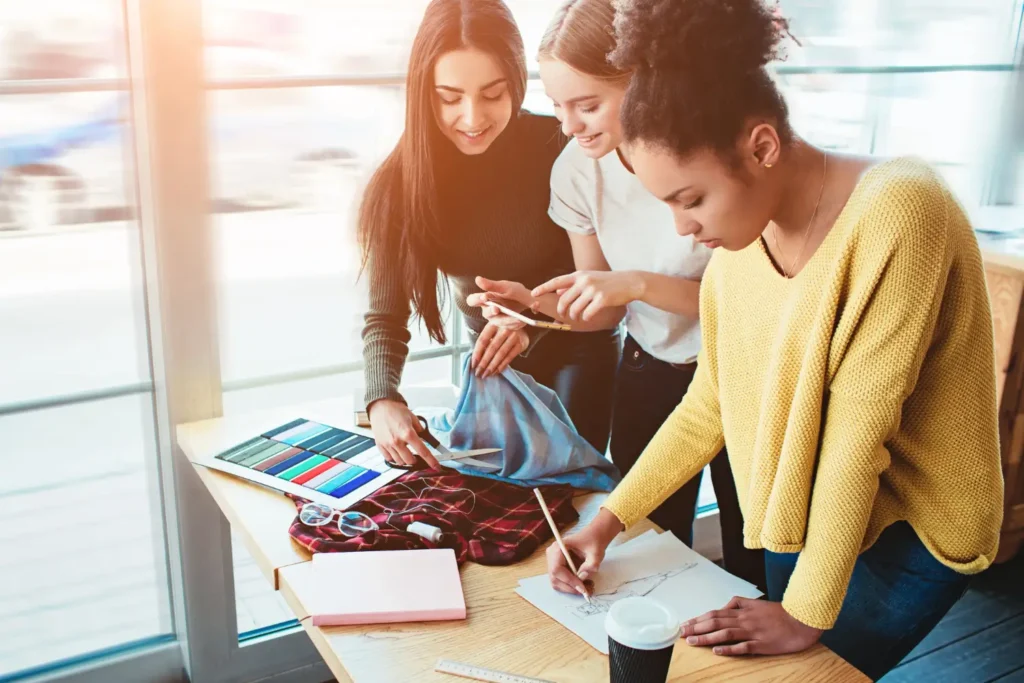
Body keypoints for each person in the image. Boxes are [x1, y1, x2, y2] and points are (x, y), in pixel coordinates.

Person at [544, 0, 1004, 679]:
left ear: (761, 146)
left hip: (914, 527)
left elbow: (859, 428)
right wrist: (608, 521)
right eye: (665, 201)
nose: (680, 228)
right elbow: (711, 403)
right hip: (807, 505)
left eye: (691, 199)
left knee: (807, 672)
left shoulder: (903, 207)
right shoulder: (738, 251)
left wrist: (806, 610)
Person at [468, 0, 764, 589]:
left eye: (587, 104)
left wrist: (635, 285)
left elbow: (750, 310)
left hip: (745, 370)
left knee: (753, 543)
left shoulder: (714, 154)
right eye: (557, 106)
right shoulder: (577, 171)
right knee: (648, 541)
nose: (570, 126)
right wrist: (533, 306)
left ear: (644, 81)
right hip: (650, 367)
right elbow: (601, 314)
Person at [358, 0, 619, 469]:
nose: (473, 118)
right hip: (492, 367)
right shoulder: (400, 183)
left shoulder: (561, 147)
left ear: (517, 82)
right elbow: (384, 317)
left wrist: (528, 318)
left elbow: (595, 277)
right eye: (450, 97)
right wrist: (381, 400)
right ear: (423, 93)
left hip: (574, 346)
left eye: (494, 94)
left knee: (568, 499)